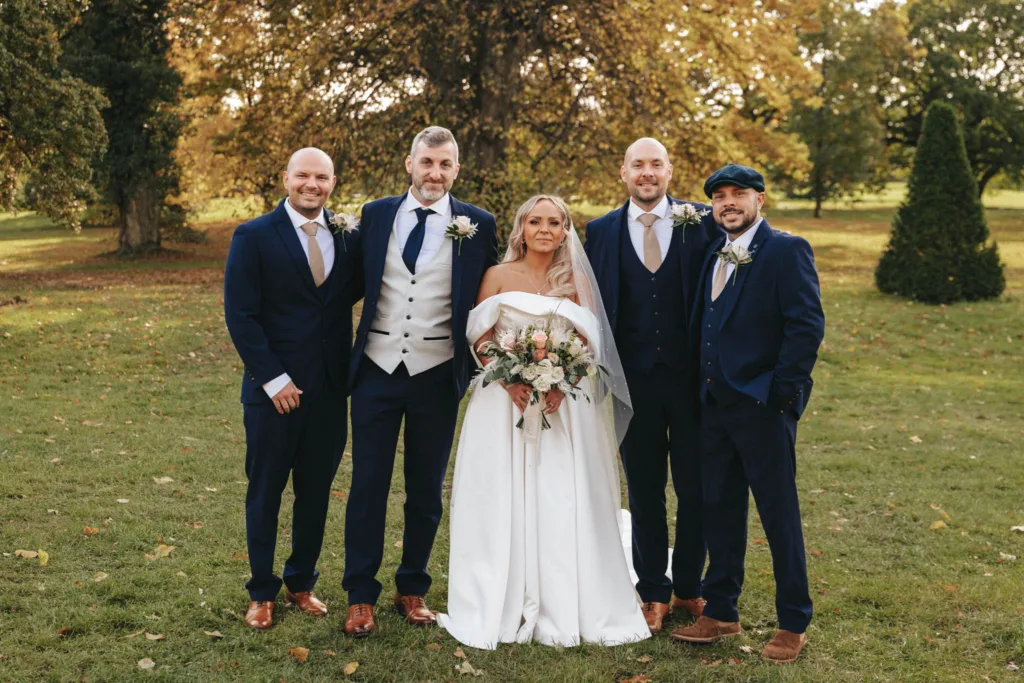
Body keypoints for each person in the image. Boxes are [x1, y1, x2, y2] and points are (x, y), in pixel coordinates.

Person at [438, 195, 650, 649]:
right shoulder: (497, 275)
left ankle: (564, 591)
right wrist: (509, 379)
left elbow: (588, 341)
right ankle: (500, 588)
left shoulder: (574, 279)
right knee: (500, 490)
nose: (544, 229)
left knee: (559, 492)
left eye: (554, 222)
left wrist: (560, 380)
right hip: (502, 402)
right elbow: (480, 334)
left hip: (562, 403)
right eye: (535, 221)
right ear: (521, 228)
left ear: (565, 230)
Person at [342, 126, 499, 637]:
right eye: (427, 163)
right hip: (376, 370)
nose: (435, 173)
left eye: (445, 165)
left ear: (457, 170)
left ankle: (413, 588)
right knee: (367, 485)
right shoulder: (375, 214)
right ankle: (360, 596)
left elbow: (494, 293)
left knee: (426, 490)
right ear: (409, 164)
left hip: (437, 374)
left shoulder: (477, 223)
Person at [670, 164, 825, 664]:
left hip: (763, 408)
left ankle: (793, 620)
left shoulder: (785, 249)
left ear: (761, 199)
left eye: (739, 194)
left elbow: (805, 326)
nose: (728, 203)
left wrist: (780, 395)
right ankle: (721, 610)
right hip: (713, 407)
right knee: (721, 510)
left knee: (778, 515)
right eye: (719, 196)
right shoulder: (713, 251)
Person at [584, 138, 722, 633]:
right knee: (644, 491)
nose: (647, 173)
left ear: (670, 171)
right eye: (637, 165)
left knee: (696, 488)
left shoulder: (703, 221)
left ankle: (689, 587)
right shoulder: (598, 231)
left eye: (655, 164)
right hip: (630, 384)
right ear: (622, 173)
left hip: (691, 383)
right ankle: (652, 593)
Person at [223, 147, 361, 630]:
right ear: (285, 179)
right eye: (303, 175)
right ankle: (261, 591)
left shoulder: (347, 238)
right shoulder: (254, 235)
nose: (312, 184)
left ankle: (300, 582)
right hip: (272, 393)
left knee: (316, 492)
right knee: (265, 491)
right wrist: (274, 379)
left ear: (332, 182)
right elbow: (240, 315)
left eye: (321, 177)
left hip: (328, 390)